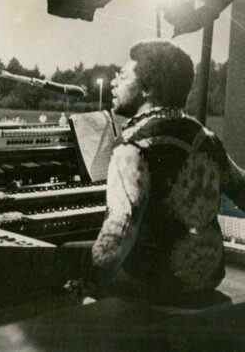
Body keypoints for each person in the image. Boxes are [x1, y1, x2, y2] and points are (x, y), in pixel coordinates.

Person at [81, 39, 245, 303]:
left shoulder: (132, 145)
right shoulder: (206, 138)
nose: (114, 83)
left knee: (67, 277)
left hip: (154, 288)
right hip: (207, 279)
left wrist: (89, 286)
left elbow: (120, 228)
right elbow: (242, 190)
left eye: (122, 76)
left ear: (147, 88)